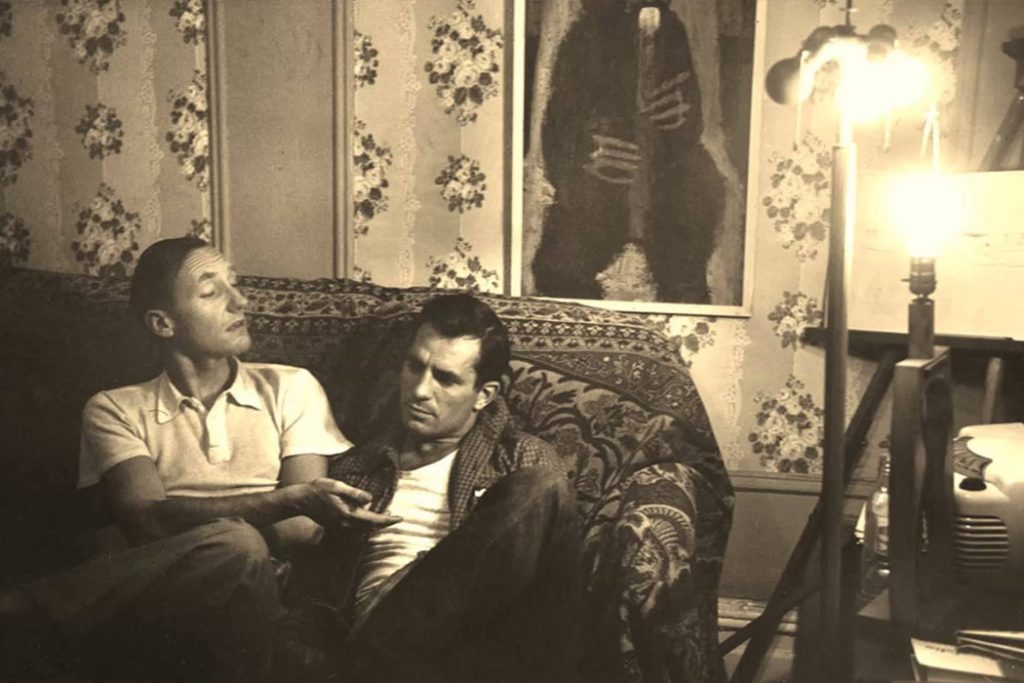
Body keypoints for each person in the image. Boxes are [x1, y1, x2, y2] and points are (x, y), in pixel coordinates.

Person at [0, 237, 398, 682]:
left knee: (240, 548)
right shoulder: (114, 408)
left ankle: (29, 605)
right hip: (158, 600)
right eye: (211, 292)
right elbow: (145, 521)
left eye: (234, 284)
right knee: (238, 545)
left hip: (263, 593)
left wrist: (214, 531)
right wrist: (280, 504)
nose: (240, 302)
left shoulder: (291, 387)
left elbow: (301, 528)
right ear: (162, 323)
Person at [293, 293, 583, 683]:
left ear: (484, 395)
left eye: (445, 378)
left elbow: (548, 596)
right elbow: (310, 589)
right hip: (380, 636)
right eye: (415, 367)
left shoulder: (523, 462)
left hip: (478, 651)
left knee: (541, 487)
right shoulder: (359, 465)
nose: (419, 390)